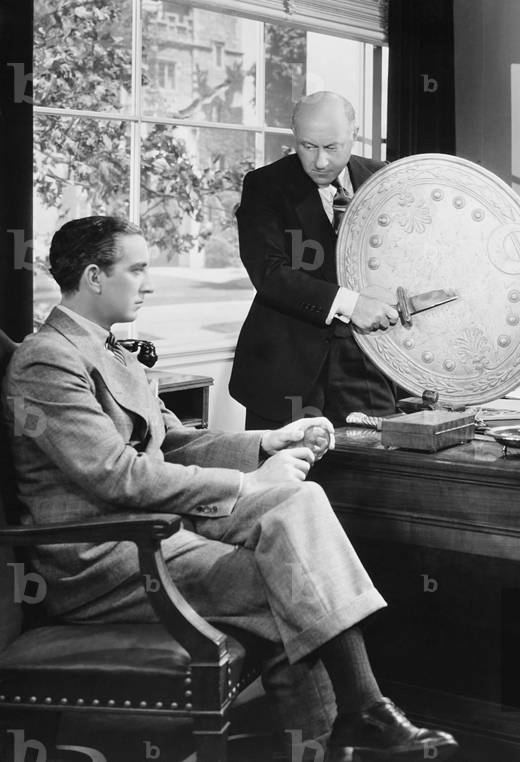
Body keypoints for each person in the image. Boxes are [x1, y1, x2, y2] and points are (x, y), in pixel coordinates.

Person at [2, 216, 458, 761]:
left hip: (159, 533)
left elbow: (174, 441)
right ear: (95, 277)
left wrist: (266, 442)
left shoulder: (112, 350)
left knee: (300, 502)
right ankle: (352, 726)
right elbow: (115, 474)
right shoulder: (48, 360)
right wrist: (246, 483)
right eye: (138, 269)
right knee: (290, 578)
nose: (149, 283)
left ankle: (357, 721)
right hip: (104, 557)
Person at [230, 91, 400, 430]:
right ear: (295, 136)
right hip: (286, 376)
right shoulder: (264, 185)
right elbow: (270, 273)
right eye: (307, 147)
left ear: (355, 132)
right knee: (287, 481)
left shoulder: (385, 180)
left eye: (331, 147)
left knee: (377, 477)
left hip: (369, 370)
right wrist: (353, 304)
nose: (320, 162)